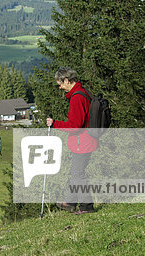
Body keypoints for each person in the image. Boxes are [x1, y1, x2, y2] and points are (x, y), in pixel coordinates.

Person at [46, 67, 97, 214]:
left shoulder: (77, 98)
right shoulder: (84, 92)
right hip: (88, 140)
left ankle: (87, 207)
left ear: (67, 80)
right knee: (76, 172)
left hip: (83, 141)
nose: (60, 87)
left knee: (78, 174)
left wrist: (55, 124)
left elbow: (75, 126)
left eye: (60, 84)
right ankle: (70, 202)